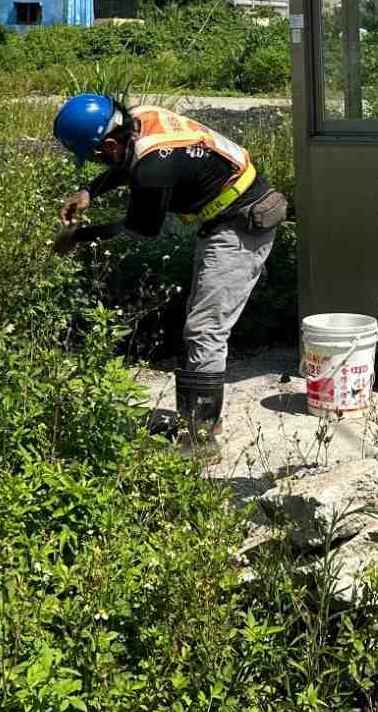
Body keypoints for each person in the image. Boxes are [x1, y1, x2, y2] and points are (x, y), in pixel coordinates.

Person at [52, 94, 289, 465]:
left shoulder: (153, 169)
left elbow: (139, 229)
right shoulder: (141, 118)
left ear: (110, 143)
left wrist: (76, 238)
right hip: (226, 214)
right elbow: (126, 159)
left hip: (242, 226)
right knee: (200, 322)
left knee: (204, 329)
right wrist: (90, 191)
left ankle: (200, 439)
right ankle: (197, 420)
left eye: (95, 155)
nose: (95, 162)